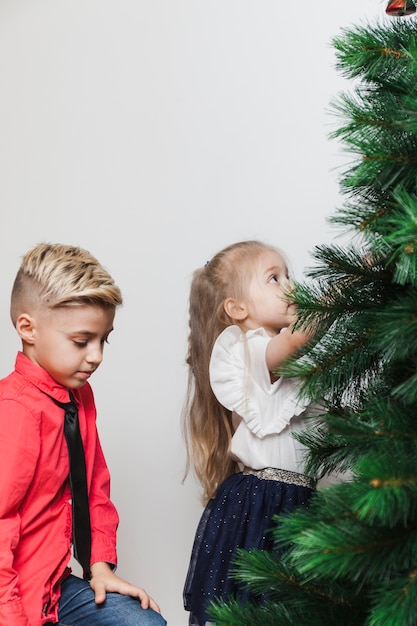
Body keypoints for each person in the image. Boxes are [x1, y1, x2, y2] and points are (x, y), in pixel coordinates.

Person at [0, 243, 166, 626]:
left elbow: (94, 488)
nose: (96, 356)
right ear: (28, 328)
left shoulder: (79, 398)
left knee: (144, 622)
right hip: (13, 594)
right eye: (81, 341)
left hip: (55, 586)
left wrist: (100, 568)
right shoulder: (14, 409)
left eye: (103, 339)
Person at [182, 240, 319, 626]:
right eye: (273, 279)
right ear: (237, 309)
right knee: (247, 609)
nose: (290, 286)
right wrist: (341, 291)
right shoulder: (251, 351)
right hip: (262, 501)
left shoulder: (285, 354)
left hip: (299, 498)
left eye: (288, 275)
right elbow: (294, 341)